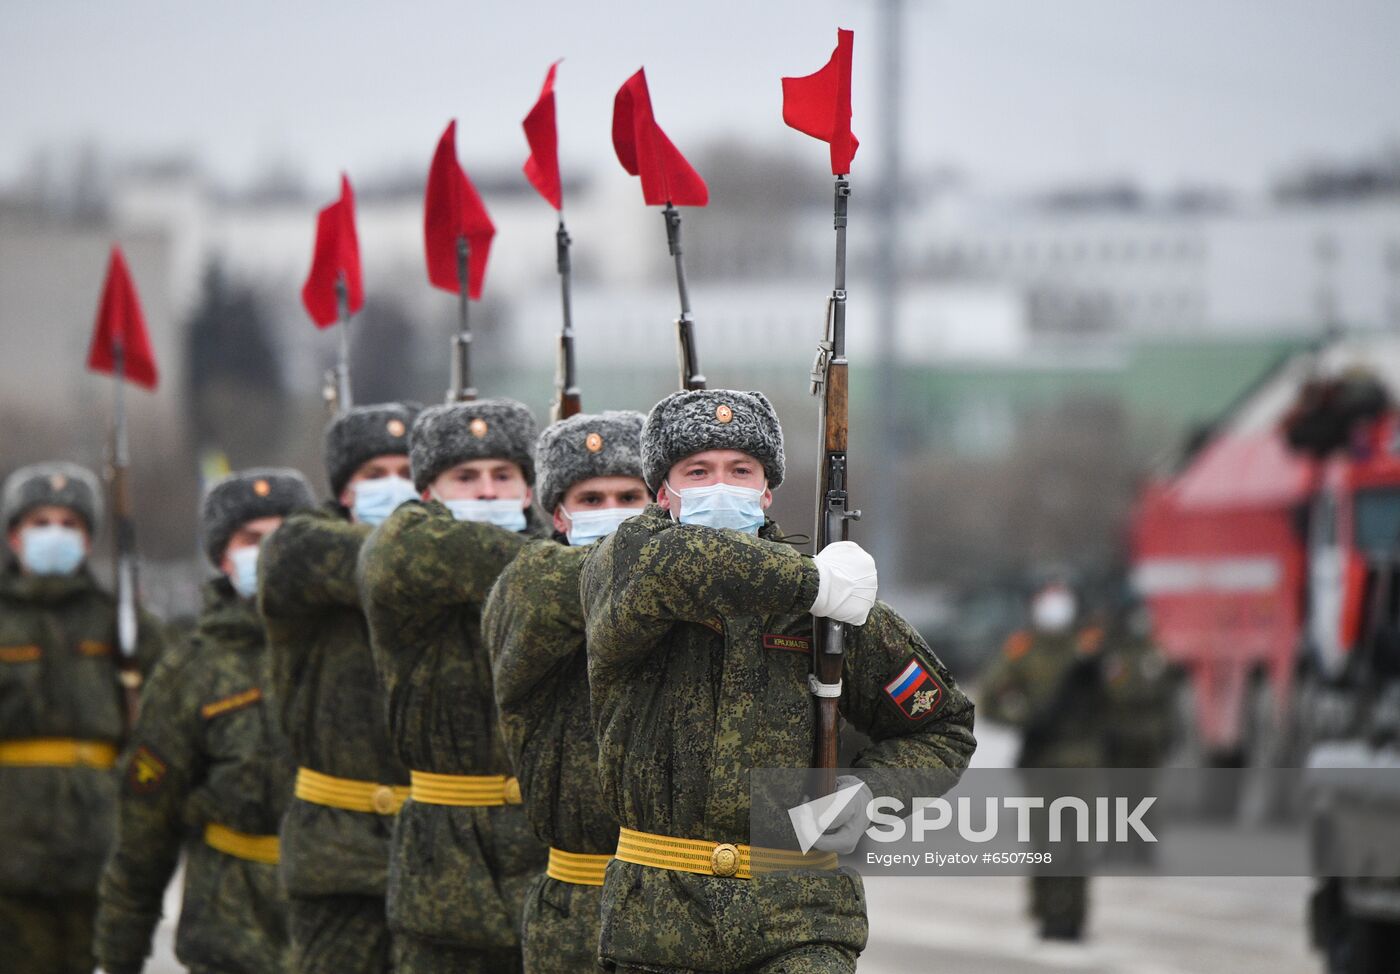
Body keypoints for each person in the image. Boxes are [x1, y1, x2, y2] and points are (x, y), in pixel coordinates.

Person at [579, 390, 978, 974]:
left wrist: (870, 792)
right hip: (658, 925)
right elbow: (674, 565)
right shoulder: (627, 566)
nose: (722, 485)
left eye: (741, 470)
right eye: (698, 471)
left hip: (802, 919)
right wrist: (814, 582)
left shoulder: (828, 608)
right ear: (662, 493)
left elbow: (942, 726)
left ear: (767, 490)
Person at [95, 467, 315, 974]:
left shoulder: (355, 646)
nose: (271, 551)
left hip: (347, 930)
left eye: (285, 534)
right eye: (252, 538)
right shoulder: (190, 670)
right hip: (231, 933)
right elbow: (144, 831)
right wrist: (118, 953)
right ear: (222, 556)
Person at [359, 399, 550, 974]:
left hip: (759, 890)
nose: (487, 493)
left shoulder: (790, 598)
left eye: (503, 476)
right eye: (465, 477)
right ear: (428, 494)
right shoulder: (590, 575)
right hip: (448, 881)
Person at [482, 410, 650, 973]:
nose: (614, 514)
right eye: (592, 499)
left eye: (631, 495)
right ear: (557, 514)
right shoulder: (531, 583)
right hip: (578, 909)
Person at [257, 403, 419, 974]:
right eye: (374, 475)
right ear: (344, 491)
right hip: (339, 854)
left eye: (407, 470)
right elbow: (386, 566)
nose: (394, 486)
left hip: (438, 853)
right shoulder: (300, 548)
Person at [0, 462, 166, 974]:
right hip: (9, 841)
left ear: (90, 538)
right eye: (41, 522)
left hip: (100, 840)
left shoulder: (118, 620)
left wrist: (146, 805)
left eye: (70, 524)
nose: (56, 534)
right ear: (13, 536)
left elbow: (162, 729)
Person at [980, 577, 1108, 941]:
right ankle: (1048, 914)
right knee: (1045, 841)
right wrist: (1025, 722)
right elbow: (991, 699)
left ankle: (1075, 917)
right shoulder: (1024, 649)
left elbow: (1114, 702)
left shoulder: (1088, 650)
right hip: (1041, 761)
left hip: (1083, 760)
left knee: (1079, 841)